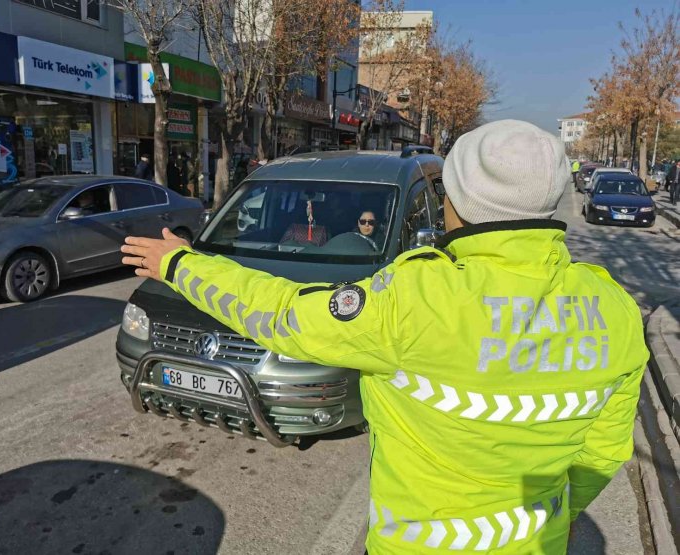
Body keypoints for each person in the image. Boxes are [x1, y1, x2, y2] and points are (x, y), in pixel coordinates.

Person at [122, 120, 648, 554]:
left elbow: (284, 314)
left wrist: (180, 265)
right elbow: (602, 456)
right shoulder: (615, 311)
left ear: (455, 201)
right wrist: (554, 520)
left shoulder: (415, 298)